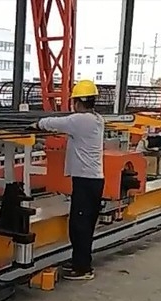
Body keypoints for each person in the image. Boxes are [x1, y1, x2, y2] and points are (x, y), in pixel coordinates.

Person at [33, 80, 105, 281]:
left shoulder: (81, 121)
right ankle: (79, 261)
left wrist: (36, 124)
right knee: (84, 224)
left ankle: (83, 268)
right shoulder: (97, 119)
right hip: (92, 180)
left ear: (78, 102)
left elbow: (54, 123)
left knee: (79, 225)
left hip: (85, 181)